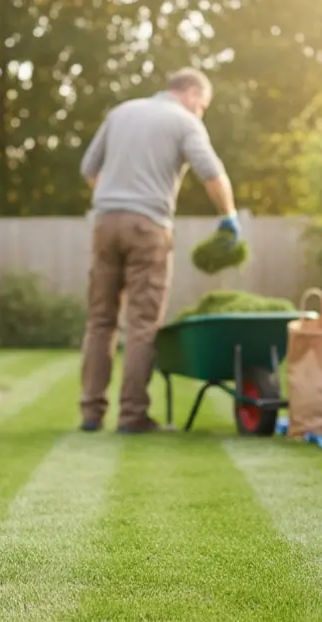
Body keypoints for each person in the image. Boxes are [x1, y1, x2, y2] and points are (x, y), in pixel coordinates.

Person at [76, 66, 239, 434]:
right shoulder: (184, 121)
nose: (202, 113)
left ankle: (91, 413)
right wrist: (229, 216)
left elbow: (88, 168)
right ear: (192, 94)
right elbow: (211, 172)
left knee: (100, 320)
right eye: (204, 106)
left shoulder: (122, 112)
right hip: (148, 226)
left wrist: (114, 196)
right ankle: (132, 416)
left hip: (104, 222)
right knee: (142, 323)